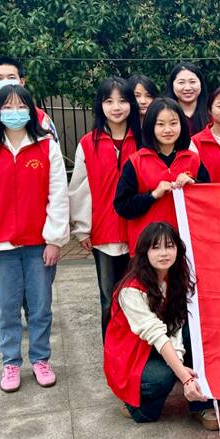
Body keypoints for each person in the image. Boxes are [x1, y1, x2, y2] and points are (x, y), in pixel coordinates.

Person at [0, 84, 69, 393]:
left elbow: (58, 195)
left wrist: (54, 239)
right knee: (7, 309)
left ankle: (40, 359)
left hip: (38, 245)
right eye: (7, 107)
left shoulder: (47, 147)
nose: (15, 113)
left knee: (40, 307)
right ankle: (10, 363)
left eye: (21, 106)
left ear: (31, 111)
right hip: (2, 247)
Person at [0, 56, 58, 343]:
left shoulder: (41, 121)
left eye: (12, 76)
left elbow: (54, 182)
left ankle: (37, 335)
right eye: (0, 77)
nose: (6, 82)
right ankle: (8, 336)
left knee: (40, 294)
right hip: (1, 227)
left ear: (22, 80)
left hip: (36, 229)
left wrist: (54, 234)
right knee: (6, 292)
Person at [104, 222, 220, 428]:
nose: (164, 253)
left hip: (157, 347)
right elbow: (157, 335)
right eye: (156, 247)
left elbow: (176, 325)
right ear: (144, 252)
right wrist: (184, 377)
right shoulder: (130, 290)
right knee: (161, 379)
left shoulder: (175, 278)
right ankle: (132, 404)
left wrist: (178, 360)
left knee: (198, 333)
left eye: (169, 246)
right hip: (132, 355)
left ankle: (202, 401)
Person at [69, 77, 141, 339]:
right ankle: (112, 353)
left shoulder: (144, 140)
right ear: (100, 106)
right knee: (109, 299)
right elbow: (79, 189)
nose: (116, 107)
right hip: (105, 233)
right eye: (109, 101)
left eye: (122, 100)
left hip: (139, 232)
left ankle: (140, 353)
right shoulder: (89, 143)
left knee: (140, 298)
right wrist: (82, 229)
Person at [114, 98, 210, 253]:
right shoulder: (136, 162)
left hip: (186, 245)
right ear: (150, 126)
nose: (167, 130)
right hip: (147, 247)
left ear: (182, 125)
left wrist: (194, 184)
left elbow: (209, 200)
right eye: (160, 124)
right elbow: (122, 206)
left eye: (173, 123)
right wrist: (152, 195)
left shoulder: (193, 159)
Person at [165, 62, 209, 136]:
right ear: (172, 85)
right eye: (181, 82)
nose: (187, 88)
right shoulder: (162, 112)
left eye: (192, 82)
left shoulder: (212, 112)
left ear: (201, 84)